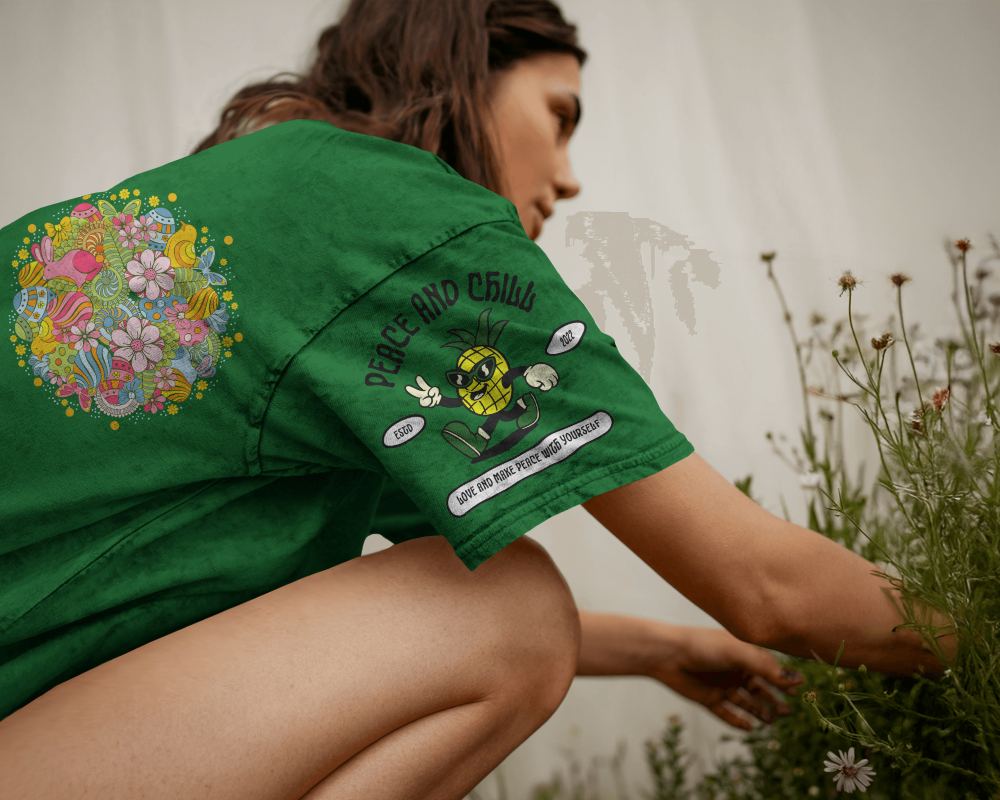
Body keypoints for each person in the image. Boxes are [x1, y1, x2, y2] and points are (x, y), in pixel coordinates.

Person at [0, 1, 955, 797]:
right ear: (463, 69)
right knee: (515, 610)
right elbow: (768, 587)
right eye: (561, 114)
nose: (571, 177)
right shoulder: (397, 211)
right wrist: (977, 637)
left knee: (492, 601)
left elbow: (386, 613)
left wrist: (660, 646)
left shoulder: (274, 200)